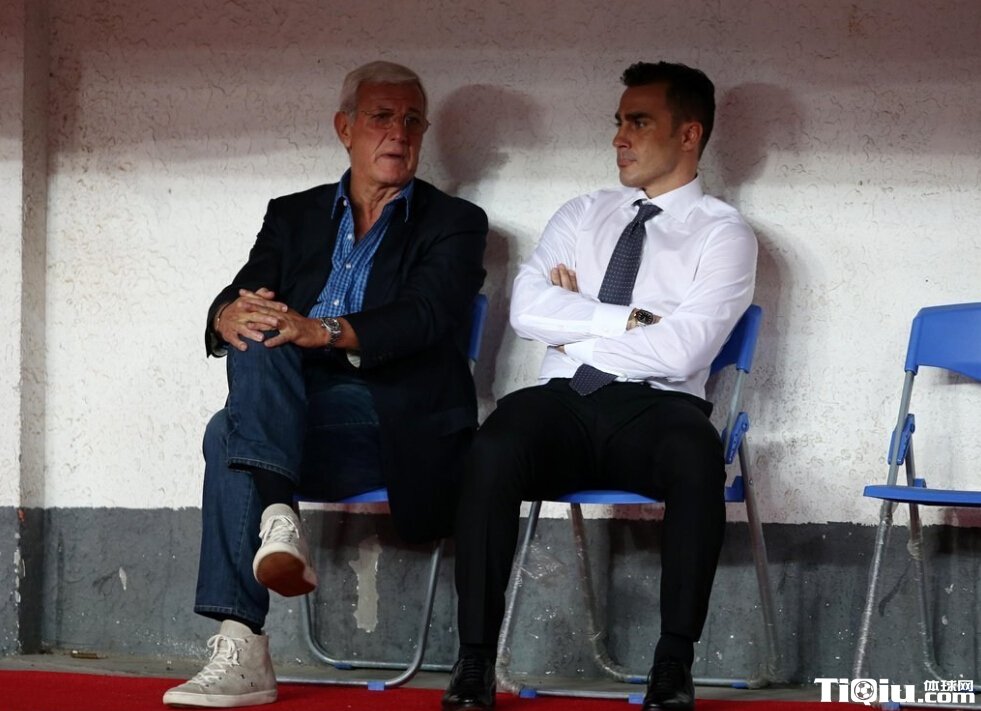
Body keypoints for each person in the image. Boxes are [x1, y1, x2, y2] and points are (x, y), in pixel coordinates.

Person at [163, 61, 487, 708]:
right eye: (381, 117)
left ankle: (244, 639)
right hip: (294, 408)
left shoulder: (454, 221)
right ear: (345, 128)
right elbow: (245, 290)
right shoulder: (293, 214)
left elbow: (426, 316)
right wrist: (224, 315)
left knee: (227, 432)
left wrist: (323, 330)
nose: (398, 133)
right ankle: (277, 521)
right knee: (256, 325)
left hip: (391, 418)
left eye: (412, 120)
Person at [443, 61, 757, 711]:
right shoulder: (582, 212)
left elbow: (686, 349)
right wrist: (629, 319)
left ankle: (672, 664)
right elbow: (528, 310)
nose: (619, 137)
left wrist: (573, 326)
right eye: (618, 122)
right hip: (561, 401)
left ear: (689, 134)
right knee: (492, 446)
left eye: (638, 122)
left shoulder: (723, 232)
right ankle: (473, 660)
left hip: (659, 406)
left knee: (697, 453)